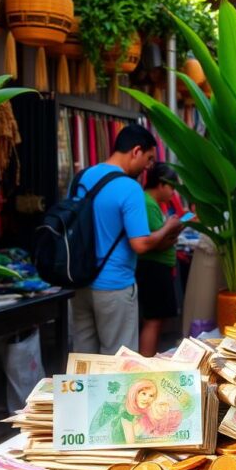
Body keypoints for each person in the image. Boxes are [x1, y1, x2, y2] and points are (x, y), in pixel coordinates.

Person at [71, 125, 183, 355]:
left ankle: (82, 392)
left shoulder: (83, 177)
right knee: (117, 360)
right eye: (149, 158)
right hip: (114, 285)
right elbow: (140, 244)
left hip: (80, 282)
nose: (148, 167)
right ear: (136, 151)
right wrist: (168, 228)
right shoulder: (129, 188)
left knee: (83, 358)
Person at [137, 164, 182, 356]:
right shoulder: (147, 203)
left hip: (156, 267)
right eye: (172, 188)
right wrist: (171, 229)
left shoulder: (151, 204)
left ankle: (149, 360)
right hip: (153, 268)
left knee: (156, 320)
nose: (173, 193)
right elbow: (156, 241)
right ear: (162, 184)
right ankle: (147, 363)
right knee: (153, 320)